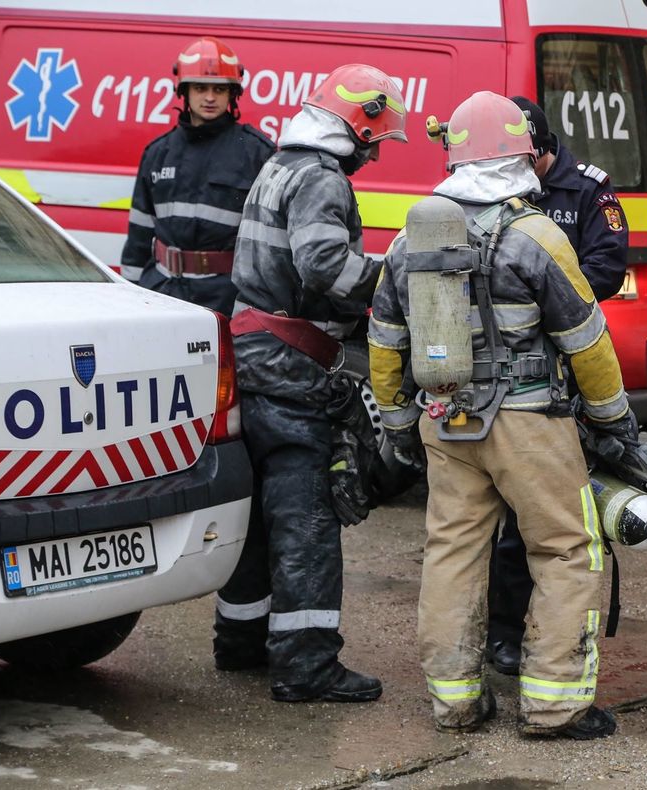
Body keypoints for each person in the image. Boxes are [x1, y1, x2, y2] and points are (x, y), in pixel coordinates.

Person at [369, 90, 635, 739]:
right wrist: (614, 422)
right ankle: (552, 704)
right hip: (528, 423)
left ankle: (455, 702)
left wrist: (401, 424)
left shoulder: (412, 237)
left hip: (446, 419)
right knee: (567, 548)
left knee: (453, 553)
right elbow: (587, 342)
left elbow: (382, 339)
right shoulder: (536, 235)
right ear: (520, 154)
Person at [212, 64, 407, 703]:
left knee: (260, 518)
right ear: (358, 126)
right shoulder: (321, 178)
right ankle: (306, 665)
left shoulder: (279, 164)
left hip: (255, 358)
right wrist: (395, 283)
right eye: (376, 140)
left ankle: (241, 642)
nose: (375, 154)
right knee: (306, 518)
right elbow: (323, 265)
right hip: (291, 369)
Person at [486, 96, 629, 676]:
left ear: (543, 149)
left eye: (529, 158)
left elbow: (608, 267)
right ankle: (501, 634)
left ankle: (543, 642)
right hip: (504, 374)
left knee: (554, 518)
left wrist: (543, 295)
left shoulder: (589, 191)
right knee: (503, 522)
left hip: (565, 376)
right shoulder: (496, 184)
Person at [119, 36, 274, 316]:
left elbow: (270, 242)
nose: (210, 97)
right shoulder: (158, 152)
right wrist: (128, 297)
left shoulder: (257, 152)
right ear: (184, 92)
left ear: (233, 94)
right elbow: (138, 236)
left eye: (219, 89)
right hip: (160, 294)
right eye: (201, 88)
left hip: (227, 300)